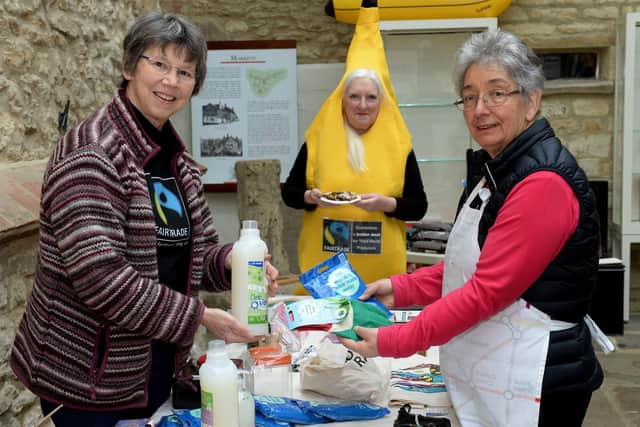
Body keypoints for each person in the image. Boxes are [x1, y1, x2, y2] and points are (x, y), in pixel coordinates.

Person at [10, 12, 278, 427]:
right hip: (89, 383)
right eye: (159, 64)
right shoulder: (91, 154)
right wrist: (201, 317)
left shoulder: (173, 157)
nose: (171, 81)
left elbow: (195, 251)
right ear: (128, 67)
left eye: (185, 72)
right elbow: (101, 279)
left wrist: (232, 263)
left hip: (153, 369)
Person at [339, 29, 610, 427]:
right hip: (501, 369)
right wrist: (402, 288)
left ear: (531, 101)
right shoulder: (498, 167)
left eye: (497, 93)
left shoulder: (543, 184)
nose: (480, 108)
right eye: (470, 96)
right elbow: (471, 263)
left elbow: (486, 292)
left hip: (537, 381)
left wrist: (396, 340)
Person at [281, 3, 427, 288]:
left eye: (371, 97)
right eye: (355, 96)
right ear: (342, 100)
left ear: (381, 103)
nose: (362, 105)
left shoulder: (399, 145)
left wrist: (386, 204)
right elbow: (290, 193)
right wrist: (311, 197)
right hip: (326, 272)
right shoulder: (319, 139)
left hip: (381, 275)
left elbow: (418, 206)